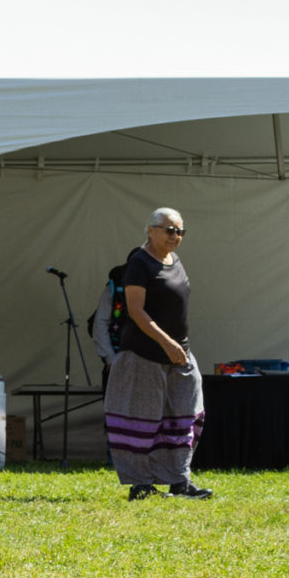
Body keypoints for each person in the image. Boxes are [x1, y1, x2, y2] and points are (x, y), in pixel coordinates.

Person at [109, 210, 204, 500]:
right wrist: (167, 343)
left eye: (180, 231)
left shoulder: (175, 260)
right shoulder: (139, 262)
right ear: (151, 230)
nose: (175, 236)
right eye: (169, 230)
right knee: (141, 420)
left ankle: (179, 480)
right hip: (145, 354)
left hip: (179, 353)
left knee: (185, 415)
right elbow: (136, 311)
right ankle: (141, 484)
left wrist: (177, 346)